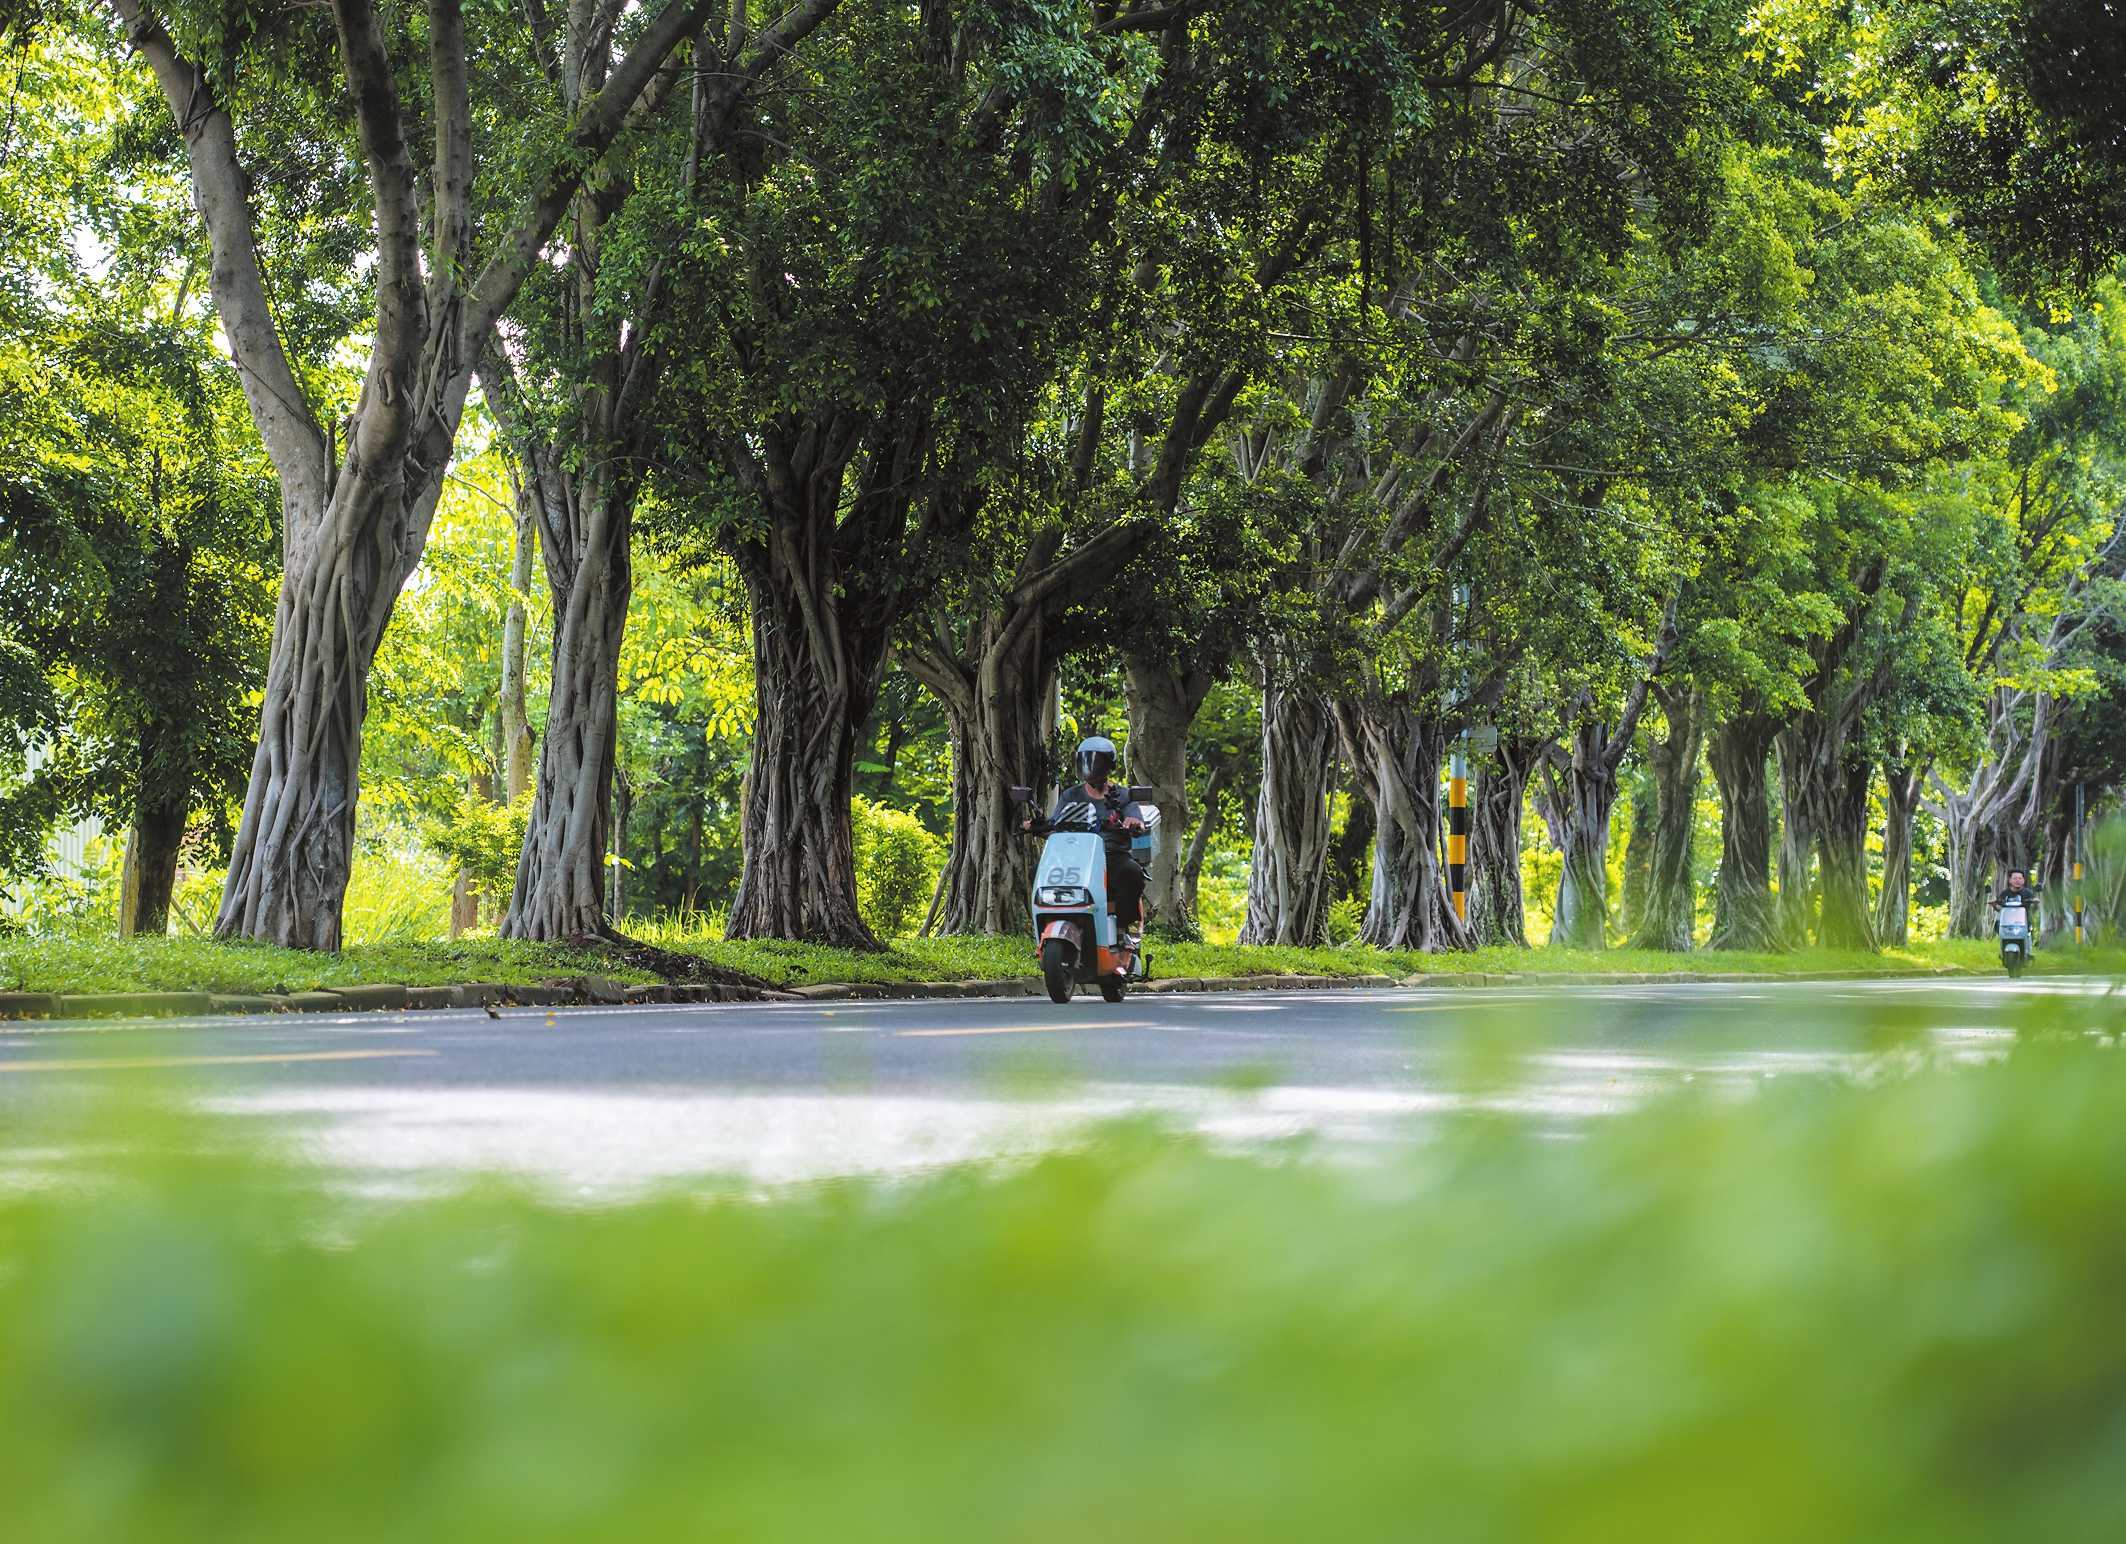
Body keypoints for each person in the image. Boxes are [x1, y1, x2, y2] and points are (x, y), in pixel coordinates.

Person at [1022, 735, 1148, 935]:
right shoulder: (1070, 795)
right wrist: (1036, 826)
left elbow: (1138, 822)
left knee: (1132, 872)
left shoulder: (1123, 795)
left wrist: (1134, 823)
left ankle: (1125, 929)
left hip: (1111, 855)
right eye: (1087, 761)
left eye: (1097, 762)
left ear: (1109, 765)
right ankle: (1048, 926)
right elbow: (1056, 825)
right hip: (1075, 858)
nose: (1091, 766)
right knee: (1039, 871)